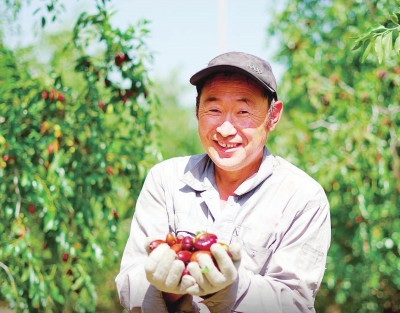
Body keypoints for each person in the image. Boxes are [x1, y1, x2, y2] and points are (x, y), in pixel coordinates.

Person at [115, 51, 331, 313]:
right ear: (197, 111)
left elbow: (295, 303)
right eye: (214, 109)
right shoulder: (166, 180)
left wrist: (230, 289)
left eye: (243, 111)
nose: (226, 129)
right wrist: (166, 291)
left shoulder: (302, 197)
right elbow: (131, 281)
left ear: (273, 116)